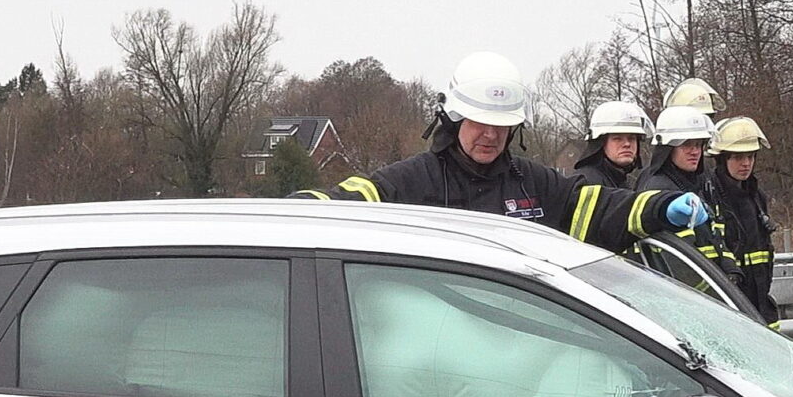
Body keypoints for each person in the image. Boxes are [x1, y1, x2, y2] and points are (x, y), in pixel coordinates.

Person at [303, 52, 712, 252]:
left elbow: (598, 207)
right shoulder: (415, 180)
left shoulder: (532, 183)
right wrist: (293, 211)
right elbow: (358, 199)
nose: (491, 135)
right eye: (481, 123)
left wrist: (661, 207)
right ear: (454, 119)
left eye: (502, 126)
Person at [638, 105, 737, 277]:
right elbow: (676, 262)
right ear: (668, 148)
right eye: (687, 145)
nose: (695, 152)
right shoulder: (659, 190)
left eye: (699, 145)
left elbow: (715, 237)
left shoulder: (699, 184)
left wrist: (730, 269)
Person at [709, 116, 780, 324]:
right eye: (738, 157)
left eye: (750, 156)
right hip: (727, 307)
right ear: (723, 158)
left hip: (760, 304)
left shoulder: (757, 196)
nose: (746, 164)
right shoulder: (710, 195)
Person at [571, 100, 651, 192]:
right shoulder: (587, 183)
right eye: (617, 139)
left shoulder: (619, 180)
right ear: (600, 143)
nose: (627, 144)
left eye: (631, 138)